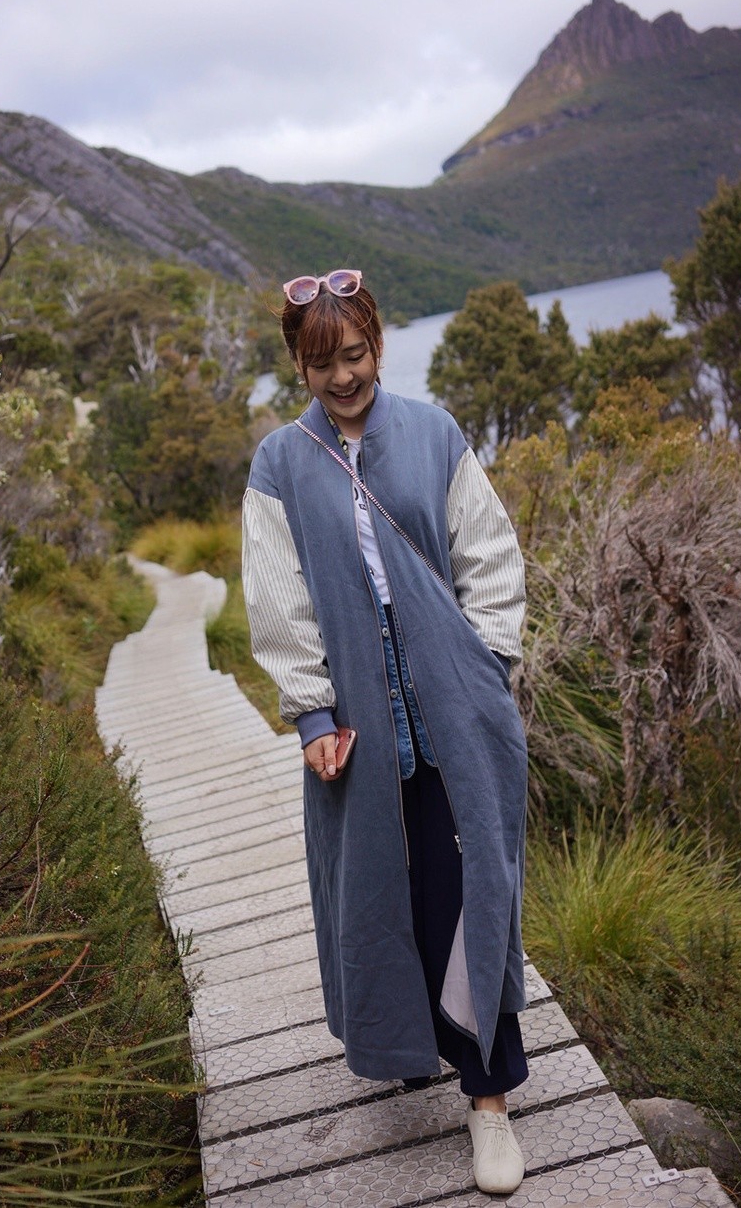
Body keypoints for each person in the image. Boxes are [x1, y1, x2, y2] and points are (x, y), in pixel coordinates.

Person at [241, 269, 529, 1195]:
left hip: (455, 710)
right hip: (357, 729)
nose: (343, 377)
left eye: (355, 355)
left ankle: (489, 1098)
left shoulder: (434, 431)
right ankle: (411, 1046)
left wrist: (487, 665)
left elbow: (489, 554)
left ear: (378, 344)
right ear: (299, 365)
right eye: (322, 363)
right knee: (379, 897)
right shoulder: (280, 465)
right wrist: (312, 712)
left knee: (470, 889)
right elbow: (279, 600)